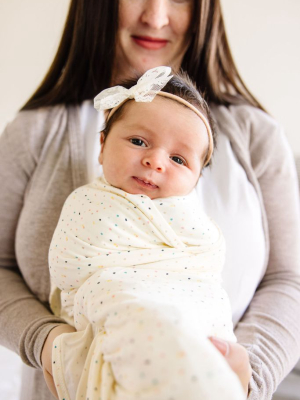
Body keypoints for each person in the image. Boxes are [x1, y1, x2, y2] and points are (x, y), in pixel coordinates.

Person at [0, 1, 299, 400]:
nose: (155, 16)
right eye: (137, 141)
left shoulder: (256, 136)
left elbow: (288, 282)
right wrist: (47, 343)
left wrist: (247, 376)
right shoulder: (33, 132)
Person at [48, 67, 245, 400]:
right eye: (138, 141)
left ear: (196, 182)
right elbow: (72, 267)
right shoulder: (87, 203)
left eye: (178, 159)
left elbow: (207, 263)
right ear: (102, 143)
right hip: (121, 303)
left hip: (196, 315)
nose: (155, 161)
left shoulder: (193, 220)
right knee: (141, 315)